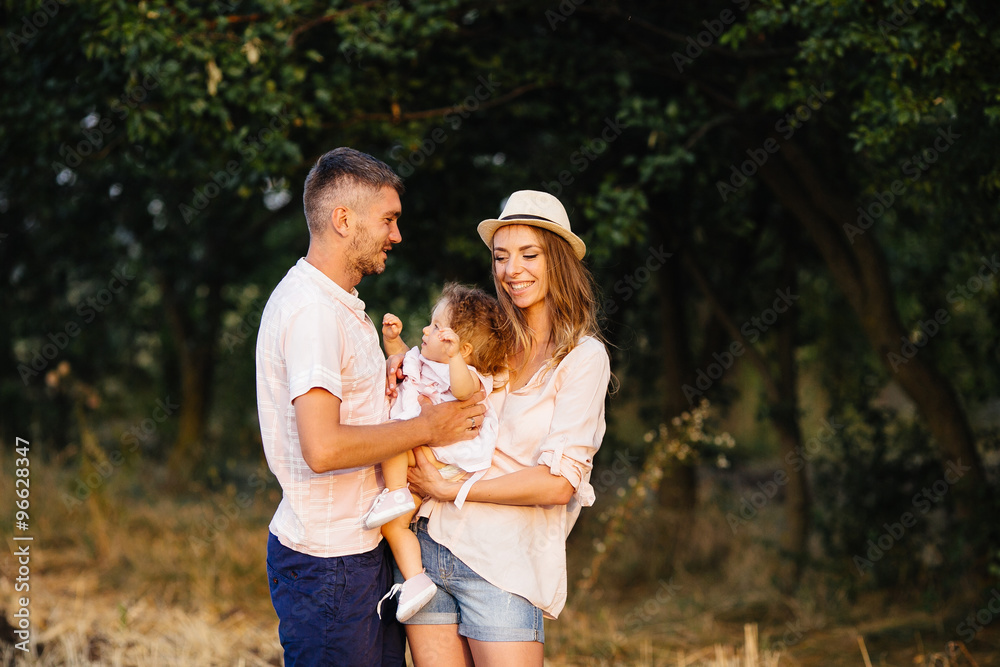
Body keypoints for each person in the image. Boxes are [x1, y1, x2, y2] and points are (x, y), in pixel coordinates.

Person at [255, 147, 487, 667]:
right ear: (343, 220)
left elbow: (351, 414)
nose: (396, 235)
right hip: (330, 563)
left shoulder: (339, 305)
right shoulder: (314, 312)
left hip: (360, 555)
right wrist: (426, 424)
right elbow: (323, 446)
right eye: (388, 219)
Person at [402, 190, 612, 666]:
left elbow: (559, 483)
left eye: (528, 255)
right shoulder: (486, 342)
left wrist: (454, 487)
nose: (511, 269)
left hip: (505, 565)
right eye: (500, 257)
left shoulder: (583, 359)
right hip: (428, 548)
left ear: (556, 261)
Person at [364, 283, 509, 623]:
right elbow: (406, 364)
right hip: (429, 459)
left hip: (450, 457)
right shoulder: (427, 361)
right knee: (393, 527)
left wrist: (456, 357)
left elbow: (461, 389)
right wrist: (392, 342)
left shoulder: (470, 375)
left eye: (435, 327)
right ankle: (416, 581)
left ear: (462, 347)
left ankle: (396, 492)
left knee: (392, 439)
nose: (426, 330)